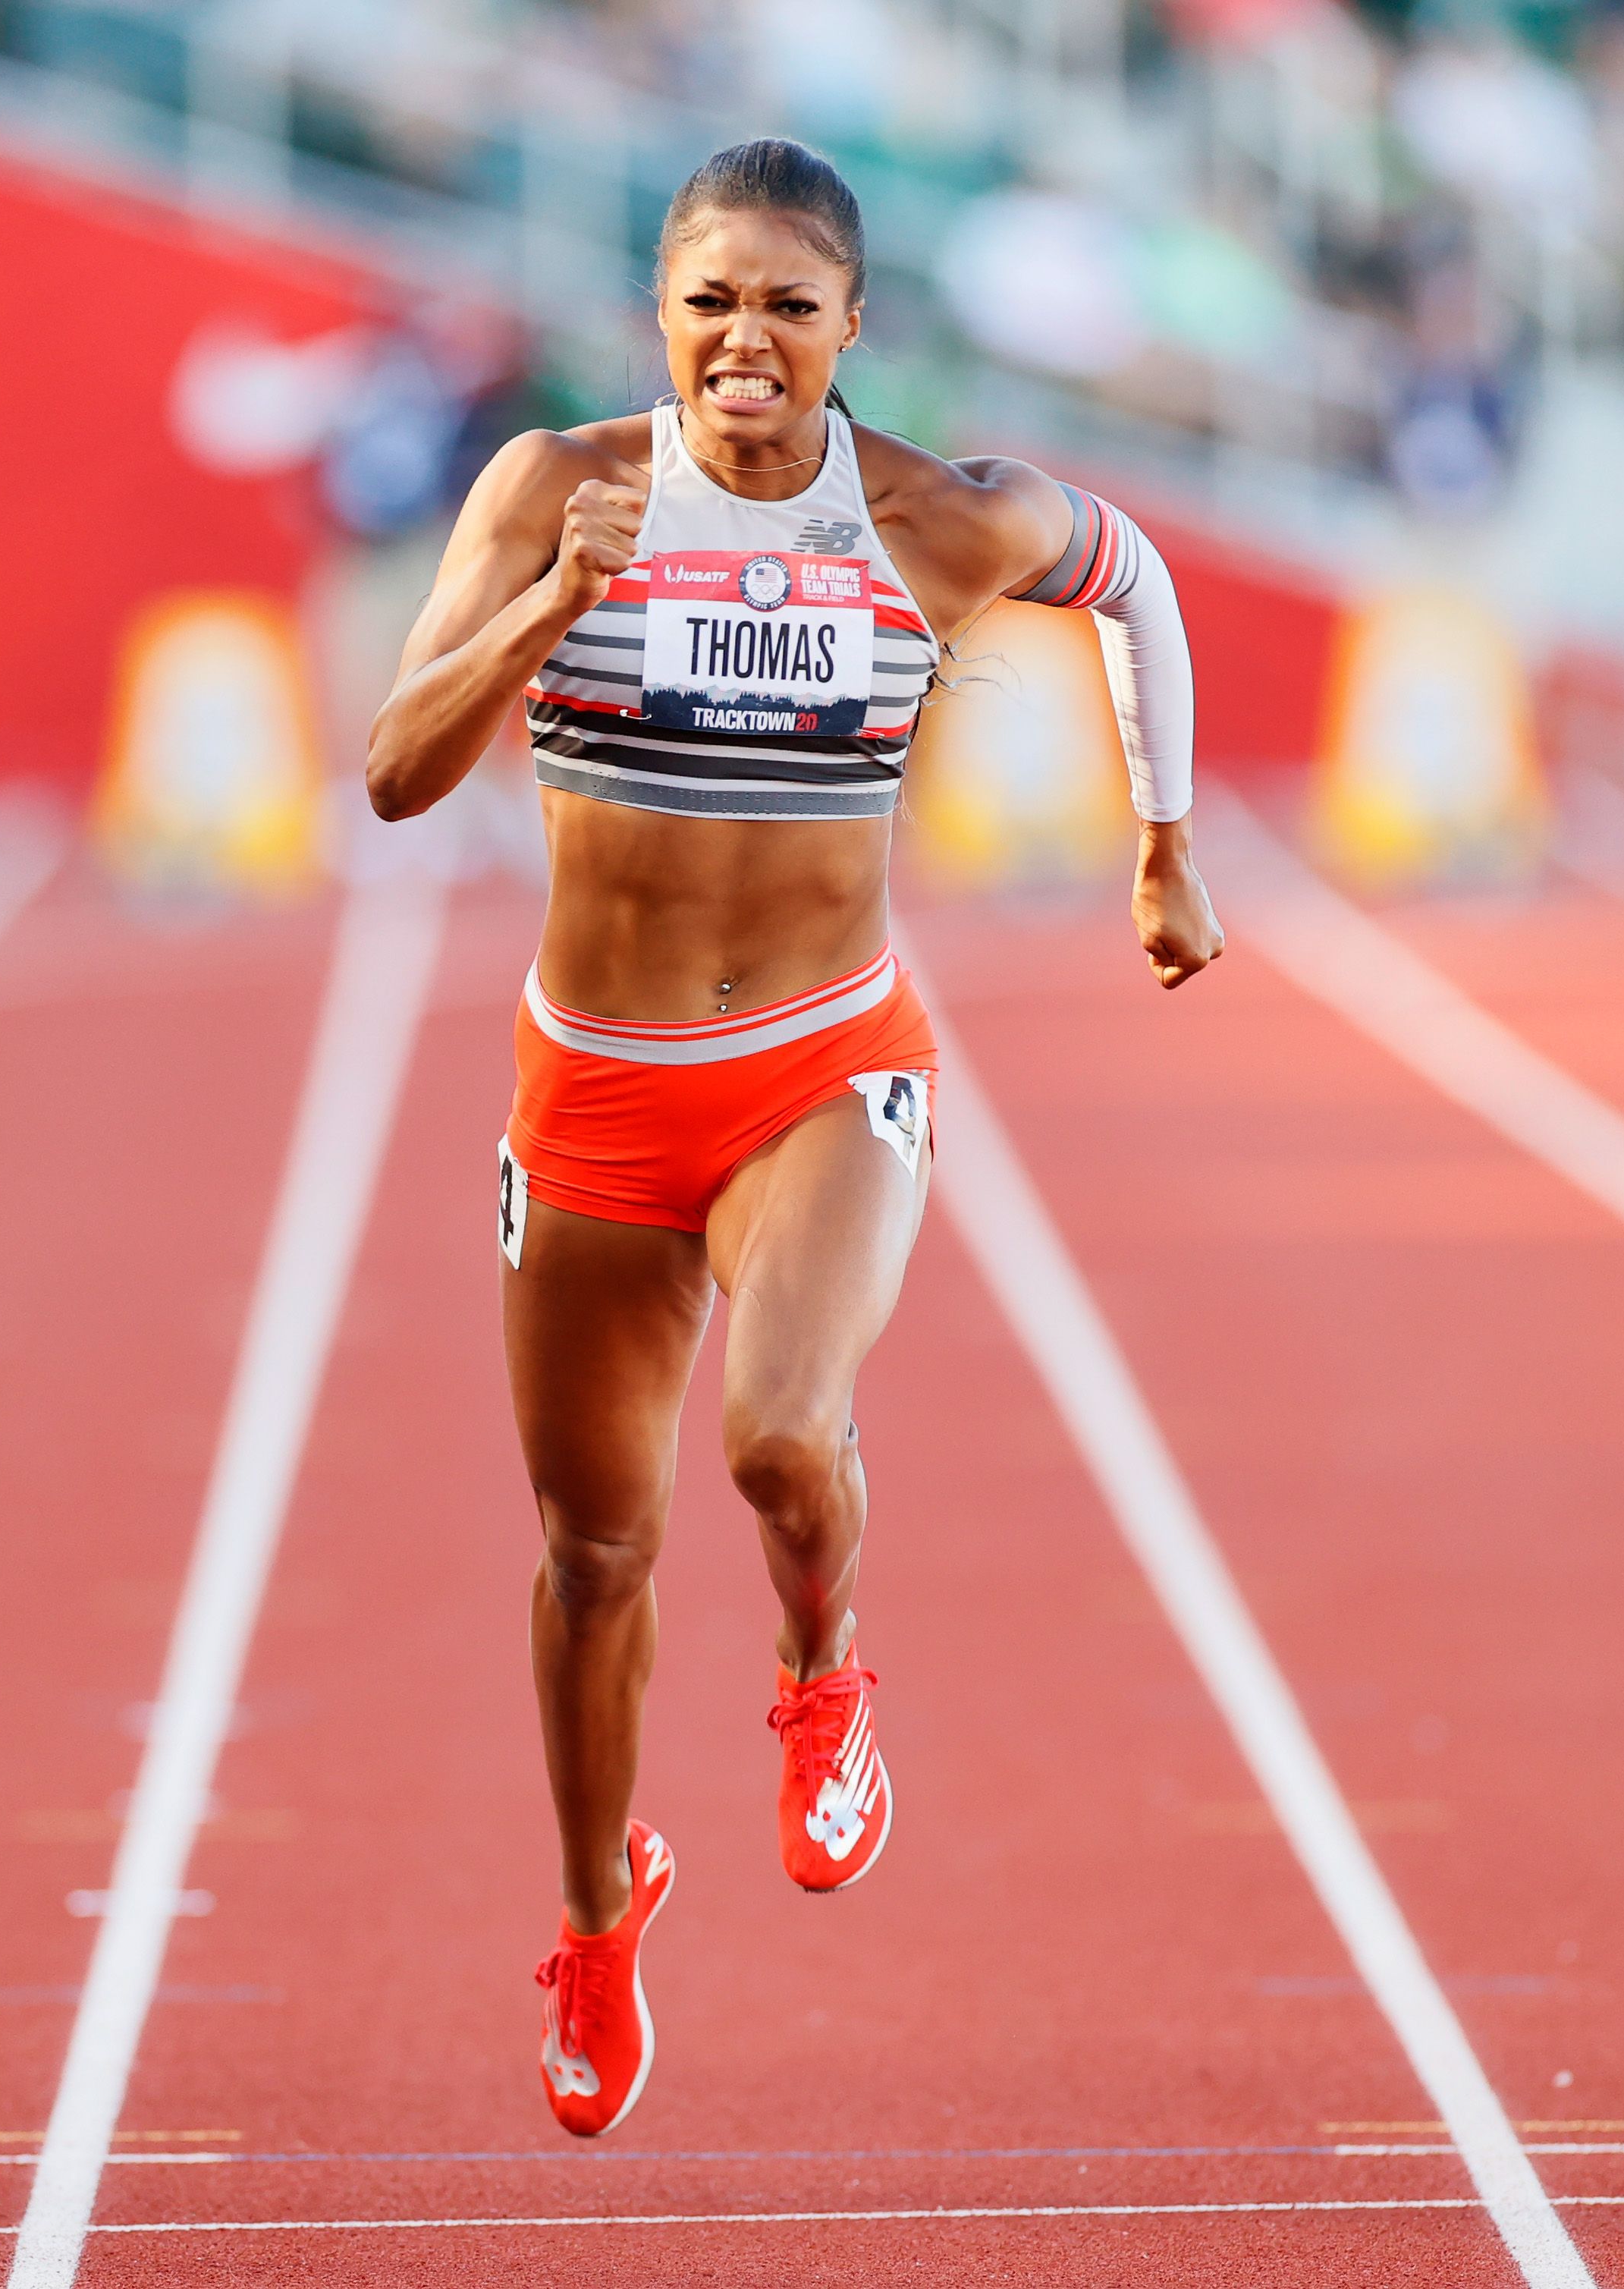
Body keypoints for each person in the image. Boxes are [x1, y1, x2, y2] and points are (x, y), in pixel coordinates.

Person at [366, 138, 1220, 2138]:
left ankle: (820, 1669)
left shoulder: (928, 517)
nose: (744, 339)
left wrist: (1162, 843)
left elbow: (1138, 582)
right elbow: (397, 774)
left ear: (850, 328)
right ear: (658, 315)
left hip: (823, 1066)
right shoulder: (548, 493)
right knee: (591, 1552)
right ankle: (594, 1918)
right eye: (709, 301)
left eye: (786, 305)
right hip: (586, 1085)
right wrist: (542, 614)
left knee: (771, 1432)